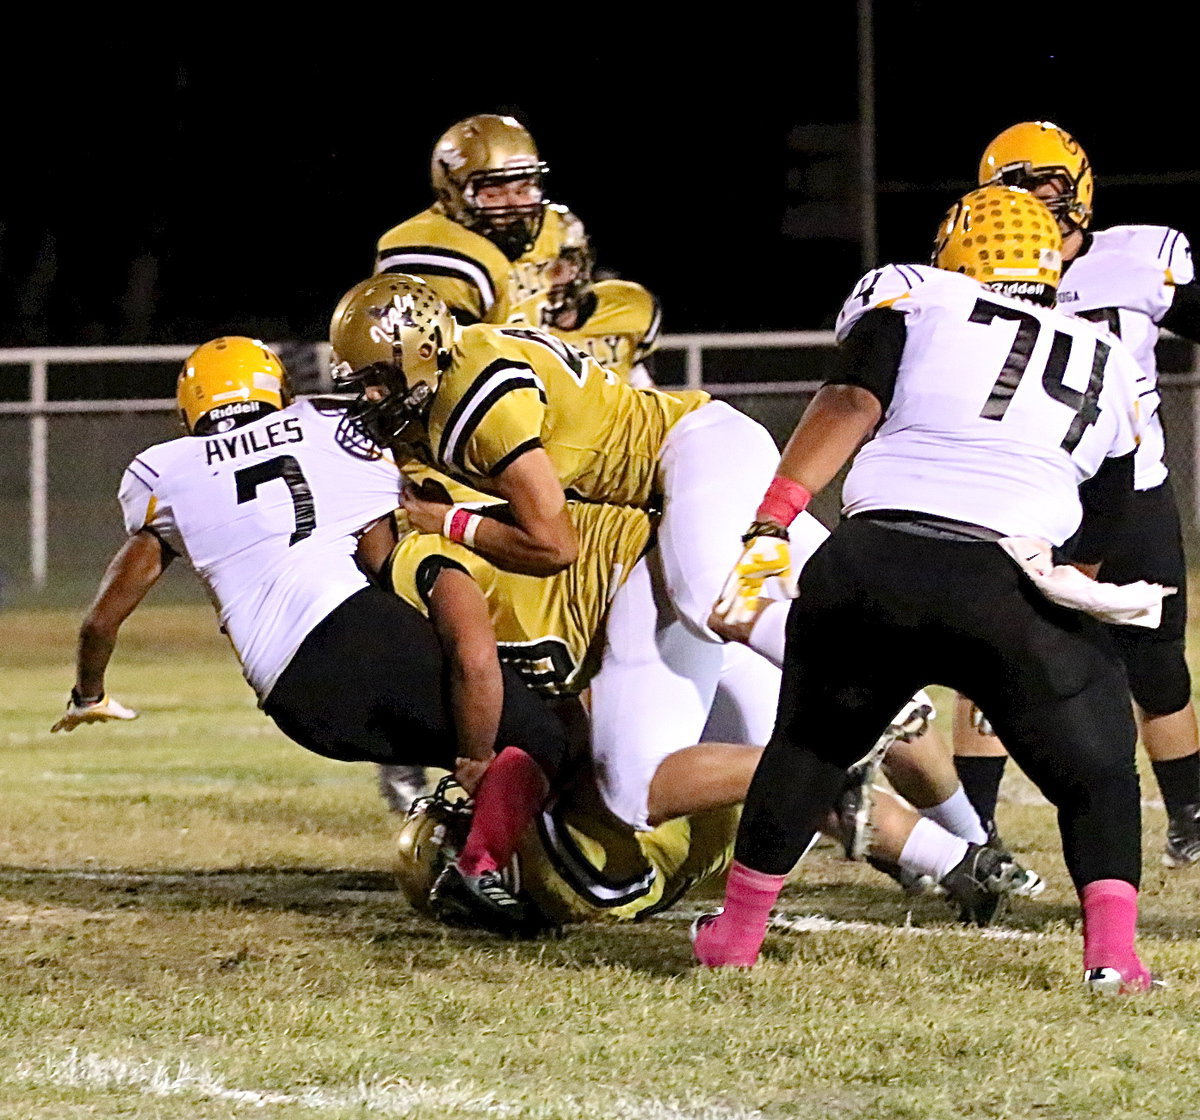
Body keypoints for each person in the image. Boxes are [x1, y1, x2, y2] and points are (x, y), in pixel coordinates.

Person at [694, 186, 1165, 994]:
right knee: (1099, 776)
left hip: (877, 564)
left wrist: (774, 519)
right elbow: (1112, 511)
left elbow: (849, 399)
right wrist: (1068, 604)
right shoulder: (1108, 358)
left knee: (809, 744)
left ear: (959, 250)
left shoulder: (917, 295)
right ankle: (1113, 959)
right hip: (1010, 579)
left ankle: (735, 937)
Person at [50, 336, 568, 938]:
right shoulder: (326, 422)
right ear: (277, 388)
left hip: (297, 704)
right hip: (356, 627)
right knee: (535, 734)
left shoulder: (164, 470)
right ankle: (476, 868)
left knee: (481, 740)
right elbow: (384, 557)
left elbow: (100, 622)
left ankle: (465, 837)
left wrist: (88, 693)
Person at [375, 497, 1042, 924]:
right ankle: (972, 844)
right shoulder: (559, 850)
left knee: (828, 756)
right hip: (688, 677)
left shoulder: (577, 891)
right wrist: (484, 824)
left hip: (703, 815)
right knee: (861, 719)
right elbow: (534, 759)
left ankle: (961, 859)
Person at [954, 121, 1200, 868]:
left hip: (1133, 491)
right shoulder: (974, 269)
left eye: (1048, 183)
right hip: (1029, 492)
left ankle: (1189, 814)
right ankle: (974, 830)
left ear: (1080, 185)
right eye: (1017, 188)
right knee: (991, 662)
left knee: (1158, 666)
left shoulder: (1139, 258)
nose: (1035, 200)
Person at [374, 114, 575, 326]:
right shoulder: (436, 247)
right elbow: (445, 356)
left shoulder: (555, 227)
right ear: (453, 193)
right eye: (493, 193)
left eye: (523, 188)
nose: (515, 204)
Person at [505, 210, 662, 387]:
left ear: (579, 263)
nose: (546, 277)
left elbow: (641, 379)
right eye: (537, 268)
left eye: (558, 264)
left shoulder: (630, 306)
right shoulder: (515, 323)